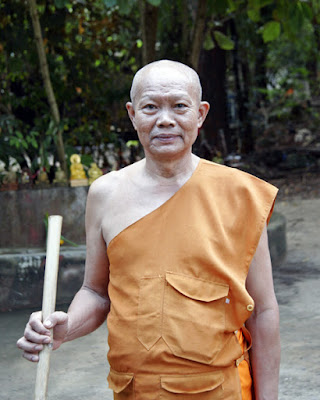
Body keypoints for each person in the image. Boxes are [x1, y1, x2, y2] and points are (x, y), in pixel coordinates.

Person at [17, 60, 280, 399]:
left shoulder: (241, 195)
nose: (165, 119)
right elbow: (97, 292)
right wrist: (65, 327)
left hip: (219, 389)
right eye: (151, 107)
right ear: (132, 114)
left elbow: (263, 311)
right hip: (135, 390)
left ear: (200, 114)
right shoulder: (106, 194)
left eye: (179, 106)